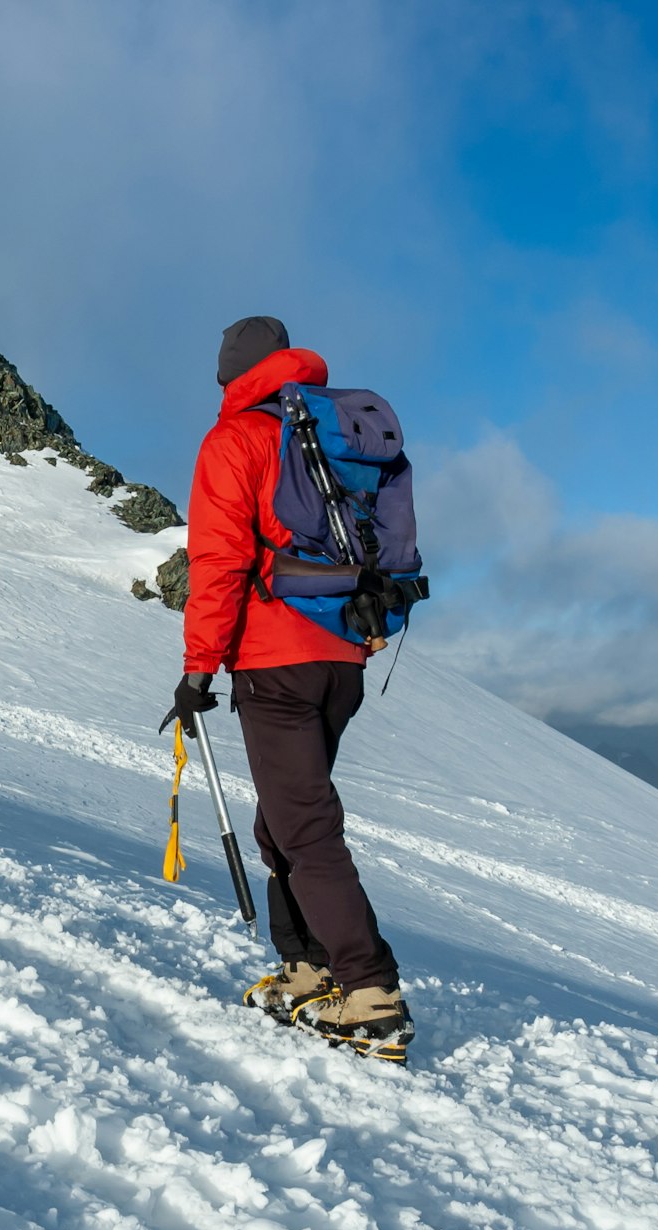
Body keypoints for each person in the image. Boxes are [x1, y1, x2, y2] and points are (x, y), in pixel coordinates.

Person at [169, 315, 413, 1060]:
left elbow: (219, 561)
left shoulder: (237, 438)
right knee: (284, 818)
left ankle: (369, 991)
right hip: (344, 653)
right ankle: (308, 967)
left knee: (304, 826)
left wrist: (198, 667)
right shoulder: (335, 430)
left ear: (230, 374)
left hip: (274, 660)